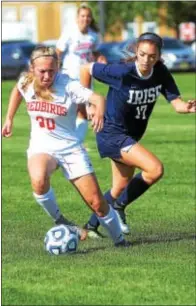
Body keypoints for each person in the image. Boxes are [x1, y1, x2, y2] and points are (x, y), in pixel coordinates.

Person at [2, 45, 130, 247]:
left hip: (71, 150)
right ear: (32, 68)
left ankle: (120, 241)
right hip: (42, 147)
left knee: (97, 204)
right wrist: (9, 118)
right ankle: (62, 221)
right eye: (42, 71)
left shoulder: (68, 85)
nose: (46, 76)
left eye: (51, 70)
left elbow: (98, 98)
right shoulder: (26, 81)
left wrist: (98, 111)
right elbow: (17, 91)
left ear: (58, 68)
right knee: (38, 179)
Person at [80, 32, 196, 236]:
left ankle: (90, 227)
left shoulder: (160, 72)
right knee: (155, 169)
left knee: (119, 189)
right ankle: (118, 208)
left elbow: (176, 104)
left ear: (158, 56)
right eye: (142, 54)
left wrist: (187, 107)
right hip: (111, 133)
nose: (146, 60)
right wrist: (88, 104)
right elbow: (86, 69)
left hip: (129, 136)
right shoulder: (122, 71)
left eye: (152, 56)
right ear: (136, 51)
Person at [56, 3, 106, 145]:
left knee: (83, 109)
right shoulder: (70, 32)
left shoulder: (93, 35)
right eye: (83, 16)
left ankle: (77, 142)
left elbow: (95, 52)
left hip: (86, 76)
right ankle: (68, 139)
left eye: (88, 16)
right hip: (70, 75)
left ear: (91, 19)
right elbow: (58, 52)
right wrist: (55, 70)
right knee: (69, 108)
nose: (85, 19)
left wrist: (100, 58)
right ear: (77, 18)